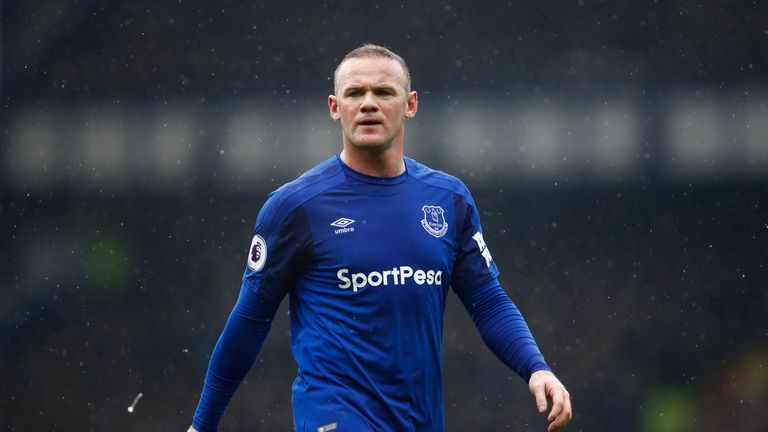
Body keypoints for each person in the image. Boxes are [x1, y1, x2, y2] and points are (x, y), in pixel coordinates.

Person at [188, 44, 572, 432]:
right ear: (335, 107)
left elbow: (487, 300)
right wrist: (202, 425)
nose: (368, 103)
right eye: (355, 93)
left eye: (383, 92)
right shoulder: (295, 207)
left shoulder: (448, 200)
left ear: (410, 104)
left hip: (420, 419)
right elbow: (250, 319)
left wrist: (535, 367)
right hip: (333, 415)